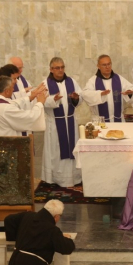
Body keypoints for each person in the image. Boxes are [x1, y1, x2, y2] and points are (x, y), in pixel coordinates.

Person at [42, 57, 83, 187]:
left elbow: (80, 96)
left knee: (72, 150)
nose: (60, 70)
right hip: (55, 124)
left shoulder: (72, 81)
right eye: (57, 68)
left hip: (70, 121)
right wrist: (53, 99)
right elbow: (41, 101)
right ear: (51, 69)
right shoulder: (45, 84)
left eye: (62, 67)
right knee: (55, 151)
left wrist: (76, 98)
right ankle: (55, 178)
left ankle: (74, 177)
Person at [81, 54, 133, 122]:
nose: (107, 67)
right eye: (104, 65)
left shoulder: (119, 79)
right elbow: (85, 94)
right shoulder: (93, 81)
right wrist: (100, 94)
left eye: (109, 64)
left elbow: (131, 89)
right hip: (100, 121)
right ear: (98, 66)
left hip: (118, 120)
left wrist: (129, 93)